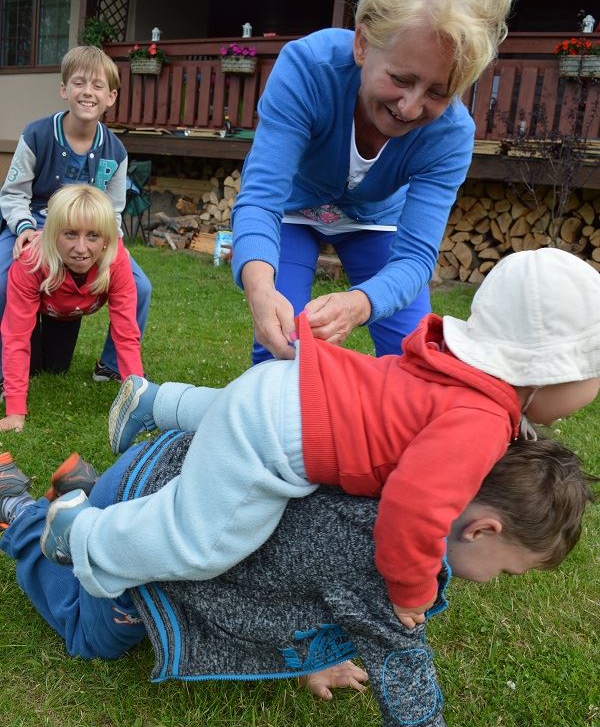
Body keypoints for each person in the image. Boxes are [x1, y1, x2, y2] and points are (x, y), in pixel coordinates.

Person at [0, 435, 595, 727]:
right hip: (148, 522)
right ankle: (25, 512)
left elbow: (289, 572)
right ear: (483, 530)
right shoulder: (390, 563)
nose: (495, 583)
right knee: (91, 633)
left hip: (173, 468)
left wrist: (312, 653)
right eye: (508, 570)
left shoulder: (413, 466)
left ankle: (86, 488)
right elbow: (410, 696)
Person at [40, 248, 600, 625]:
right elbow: (415, 508)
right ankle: (83, 535)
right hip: (274, 436)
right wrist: (411, 591)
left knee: (221, 415)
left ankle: (154, 402)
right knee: (203, 541)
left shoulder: (459, 371)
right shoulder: (480, 419)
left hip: (283, 388)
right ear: (545, 369)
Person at [232, 0, 516, 364]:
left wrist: (361, 303)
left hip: (375, 220)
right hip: (291, 209)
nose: (410, 106)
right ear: (363, 44)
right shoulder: (307, 69)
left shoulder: (451, 134)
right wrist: (259, 284)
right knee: (280, 346)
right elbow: (260, 200)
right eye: (401, 79)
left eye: (439, 92)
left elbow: (416, 256)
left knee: (414, 357)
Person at [0, 44, 152, 387]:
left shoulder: (116, 151)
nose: (88, 92)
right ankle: (3, 368)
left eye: (98, 86)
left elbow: (112, 211)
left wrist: (112, 248)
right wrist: (23, 228)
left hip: (88, 230)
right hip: (34, 220)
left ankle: (112, 365)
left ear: (111, 96)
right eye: (80, 83)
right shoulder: (36, 135)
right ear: (64, 89)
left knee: (140, 286)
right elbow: (13, 194)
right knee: (2, 277)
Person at [0, 184, 144, 432]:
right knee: (26, 366)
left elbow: (126, 335)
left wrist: (139, 403)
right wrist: (15, 411)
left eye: (93, 236)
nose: (81, 248)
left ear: (107, 240)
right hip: (36, 308)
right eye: (70, 234)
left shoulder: (117, 261)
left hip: (67, 314)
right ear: (53, 234)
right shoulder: (30, 261)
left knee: (56, 367)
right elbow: (16, 337)